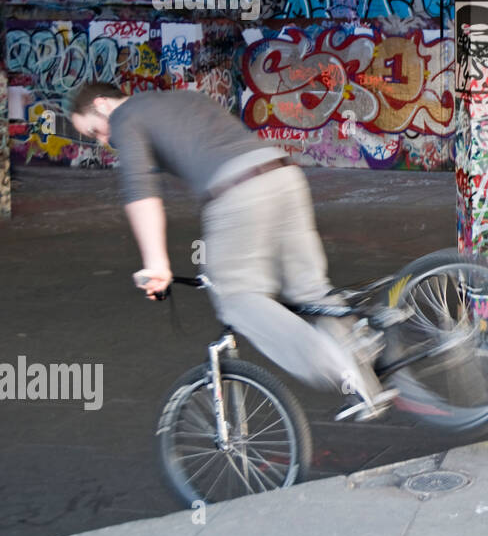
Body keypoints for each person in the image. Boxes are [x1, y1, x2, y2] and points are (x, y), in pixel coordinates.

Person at [68, 82, 396, 420]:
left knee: (237, 297)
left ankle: (340, 371)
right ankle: (362, 358)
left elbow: (140, 193)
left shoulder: (124, 117)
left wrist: (156, 264)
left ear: (103, 104)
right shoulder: (179, 98)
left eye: (96, 130)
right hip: (283, 175)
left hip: (238, 192)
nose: (103, 140)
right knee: (308, 289)